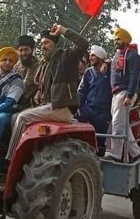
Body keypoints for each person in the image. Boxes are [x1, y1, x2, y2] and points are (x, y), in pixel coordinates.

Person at [5, 24, 88, 160]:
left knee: (22, 118)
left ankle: (11, 159)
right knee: (14, 117)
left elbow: (83, 43)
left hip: (62, 106)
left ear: (56, 44)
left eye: (46, 43)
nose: (43, 46)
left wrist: (63, 31)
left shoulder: (66, 56)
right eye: (41, 43)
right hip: (47, 105)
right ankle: (28, 154)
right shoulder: (46, 64)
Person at [104, 28, 140, 163]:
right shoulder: (117, 55)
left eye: (118, 39)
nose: (116, 41)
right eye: (115, 39)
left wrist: (129, 95)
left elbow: (134, 77)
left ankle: (115, 154)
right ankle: (137, 153)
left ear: (126, 40)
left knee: (117, 123)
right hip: (115, 93)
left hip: (124, 92)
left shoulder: (133, 56)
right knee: (123, 124)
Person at [75, 45, 111, 157]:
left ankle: (100, 164)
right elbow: (81, 91)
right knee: (75, 127)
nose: (90, 58)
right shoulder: (88, 72)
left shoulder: (110, 72)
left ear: (100, 57)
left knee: (100, 141)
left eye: (93, 55)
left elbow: (115, 61)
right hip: (87, 109)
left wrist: (108, 64)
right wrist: (78, 107)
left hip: (103, 112)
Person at [13, 35, 39, 109]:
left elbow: (25, 86)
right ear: (17, 51)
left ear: (32, 50)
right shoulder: (16, 66)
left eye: (26, 49)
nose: (23, 53)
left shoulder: (37, 66)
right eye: (21, 50)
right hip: (15, 99)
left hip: (29, 103)